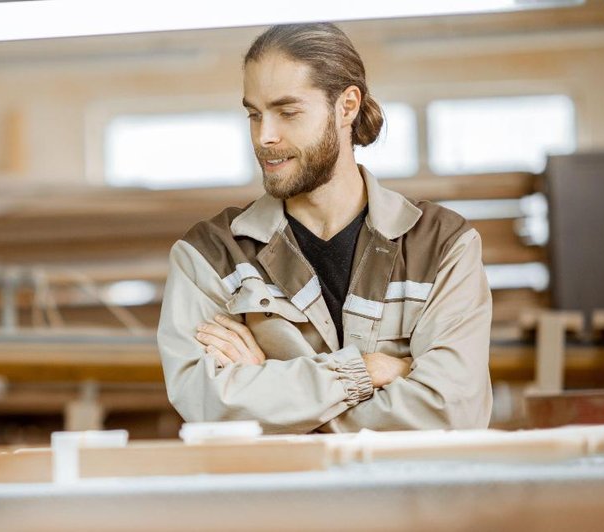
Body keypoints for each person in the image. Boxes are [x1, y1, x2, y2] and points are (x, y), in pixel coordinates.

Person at [157, 23, 492, 434]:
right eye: (254, 114)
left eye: (288, 112)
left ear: (346, 106)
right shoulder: (210, 255)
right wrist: (365, 373)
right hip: (286, 500)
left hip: (404, 497)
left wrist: (274, 404)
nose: (265, 136)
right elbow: (207, 406)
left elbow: (451, 413)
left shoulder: (442, 246)